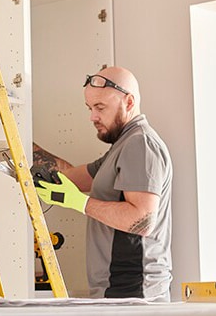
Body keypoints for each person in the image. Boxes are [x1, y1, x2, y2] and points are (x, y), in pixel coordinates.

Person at [33, 66, 172, 302]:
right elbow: (69, 176)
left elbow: (143, 221)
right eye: (89, 108)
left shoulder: (140, 144)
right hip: (118, 290)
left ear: (128, 102)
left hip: (134, 292)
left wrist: (79, 203)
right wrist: (20, 144)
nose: (92, 117)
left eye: (100, 108)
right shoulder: (122, 146)